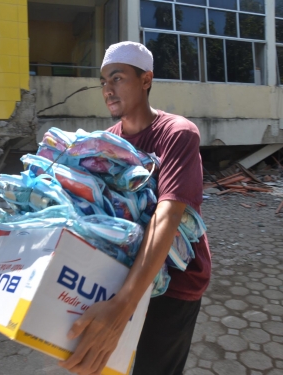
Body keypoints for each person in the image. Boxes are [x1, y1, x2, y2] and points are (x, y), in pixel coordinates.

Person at [58, 41, 211, 375]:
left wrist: (122, 307)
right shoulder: (107, 142)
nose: (107, 90)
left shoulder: (177, 134)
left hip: (175, 286)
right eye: (103, 82)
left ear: (146, 80)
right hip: (121, 276)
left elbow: (167, 216)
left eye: (117, 78)